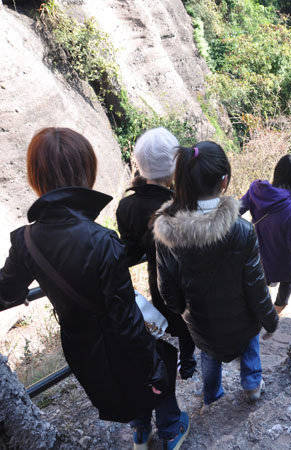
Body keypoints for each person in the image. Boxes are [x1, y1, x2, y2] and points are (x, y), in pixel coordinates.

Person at [0, 128, 188, 450]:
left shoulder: (25, 240)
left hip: (81, 346)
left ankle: (141, 434)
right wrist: (154, 367)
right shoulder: (102, 241)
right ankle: (171, 430)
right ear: (86, 172)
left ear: (35, 177)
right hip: (121, 342)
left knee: (118, 388)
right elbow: (128, 324)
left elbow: (6, 289)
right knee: (155, 375)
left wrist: (18, 295)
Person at [154, 141, 279, 407]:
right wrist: (270, 319)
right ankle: (252, 385)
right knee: (249, 342)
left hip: (201, 322)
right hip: (242, 320)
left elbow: (168, 290)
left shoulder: (168, 232)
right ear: (224, 181)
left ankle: (211, 393)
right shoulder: (242, 230)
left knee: (208, 353)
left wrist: (183, 310)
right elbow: (256, 286)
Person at [116, 127, 197, 380]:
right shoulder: (182, 203)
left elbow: (129, 249)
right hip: (187, 281)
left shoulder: (127, 206)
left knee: (160, 325)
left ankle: (164, 371)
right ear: (175, 167)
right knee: (186, 324)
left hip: (157, 283)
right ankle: (188, 361)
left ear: (139, 164)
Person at [240, 155, 291, 313]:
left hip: (260, 255)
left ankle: (258, 317)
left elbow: (235, 211)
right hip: (283, 262)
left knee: (258, 291)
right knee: (286, 287)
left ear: (277, 171)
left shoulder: (256, 189)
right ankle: (273, 318)